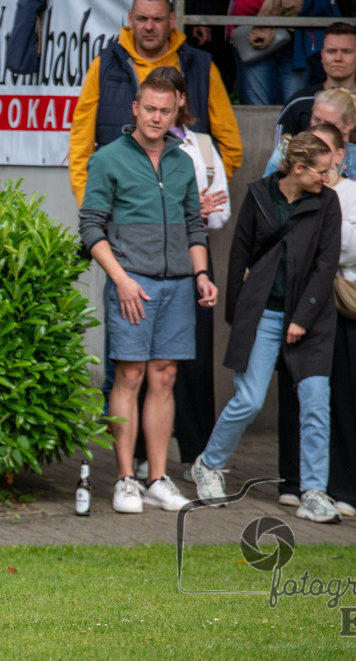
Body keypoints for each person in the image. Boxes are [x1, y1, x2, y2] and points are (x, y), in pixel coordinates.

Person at [78, 76, 218, 515]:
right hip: (131, 282)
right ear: (135, 108)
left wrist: (201, 274)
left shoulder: (182, 160)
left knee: (164, 377)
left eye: (166, 110)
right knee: (130, 377)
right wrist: (120, 279)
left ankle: (157, 478)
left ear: (177, 111)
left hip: (179, 282)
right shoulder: (107, 159)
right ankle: (125, 479)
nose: (157, 118)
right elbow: (90, 228)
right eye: (150, 109)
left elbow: (194, 225)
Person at [192, 131, 343, 524]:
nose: (326, 178)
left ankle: (313, 491)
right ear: (298, 168)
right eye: (321, 171)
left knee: (315, 402)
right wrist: (235, 314)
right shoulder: (259, 195)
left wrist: (302, 319)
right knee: (249, 399)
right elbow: (240, 252)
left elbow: (326, 266)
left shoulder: (328, 203)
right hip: (262, 313)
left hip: (310, 319)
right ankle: (208, 465)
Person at [274, 123, 356, 514]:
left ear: (339, 155)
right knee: (299, 392)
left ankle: (349, 489)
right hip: (300, 304)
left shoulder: (355, 195)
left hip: (346, 307)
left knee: (348, 397)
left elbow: (349, 248)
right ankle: (296, 479)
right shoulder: (293, 193)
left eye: (327, 151)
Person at [68, 0, 242, 208]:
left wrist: (199, 193)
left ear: (172, 20)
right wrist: (91, 204)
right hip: (118, 207)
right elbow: (79, 147)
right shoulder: (104, 66)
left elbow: (231, 146)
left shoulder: (200, 67)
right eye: (142, 19)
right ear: (130, 19)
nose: (149, 27)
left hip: (181, 213)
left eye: (158, 20)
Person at [143, 66, 231, 468]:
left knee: (195, 360)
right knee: (146, 358)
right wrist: (187, 209)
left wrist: (194, 214)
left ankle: (198, 456)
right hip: (146, 256)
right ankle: (144, 457)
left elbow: (220, 212)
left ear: (182, 101)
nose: (165, 108)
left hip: (194, 255)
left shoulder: (204, 147)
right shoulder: (134, 147)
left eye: (174, 97)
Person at [273, 22, 356, 163]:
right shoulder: (298, 103)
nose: (338, 58)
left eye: (346, 51)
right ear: (322, 55)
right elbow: (280, 159)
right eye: (331, 51)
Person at [229, 0, 339, 106]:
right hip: (256, 37)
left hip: (297, 39)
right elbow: (247, 6)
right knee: (257, 107)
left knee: (294, 105)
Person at [264, 87, 356, 188]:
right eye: (316, 119)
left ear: (349, 124)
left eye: (329, 123)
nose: (319, 127)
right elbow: (265, 196)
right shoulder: (284, 152)